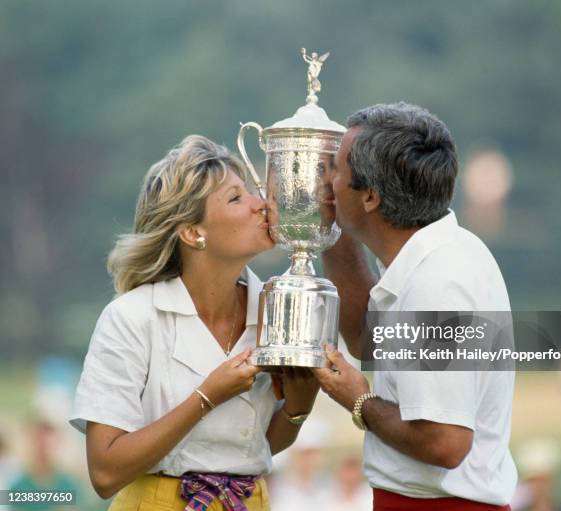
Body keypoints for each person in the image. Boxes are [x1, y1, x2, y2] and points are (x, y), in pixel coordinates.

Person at [69, 135, 319, 511]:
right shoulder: (131, 318)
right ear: (193, 232)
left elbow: (257, 445)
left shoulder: (276, 308)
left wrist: (298, 408)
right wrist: (207, 397)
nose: (262, 205)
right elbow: (104, 473)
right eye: (237, 198)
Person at [313, 103, 517, 510]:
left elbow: (445, 442)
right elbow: (365, 339)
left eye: (335, 170)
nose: (327, 182)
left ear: (370, 196)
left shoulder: (437, 284)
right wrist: (332, 230)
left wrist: (359, 400)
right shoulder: (433, 258)